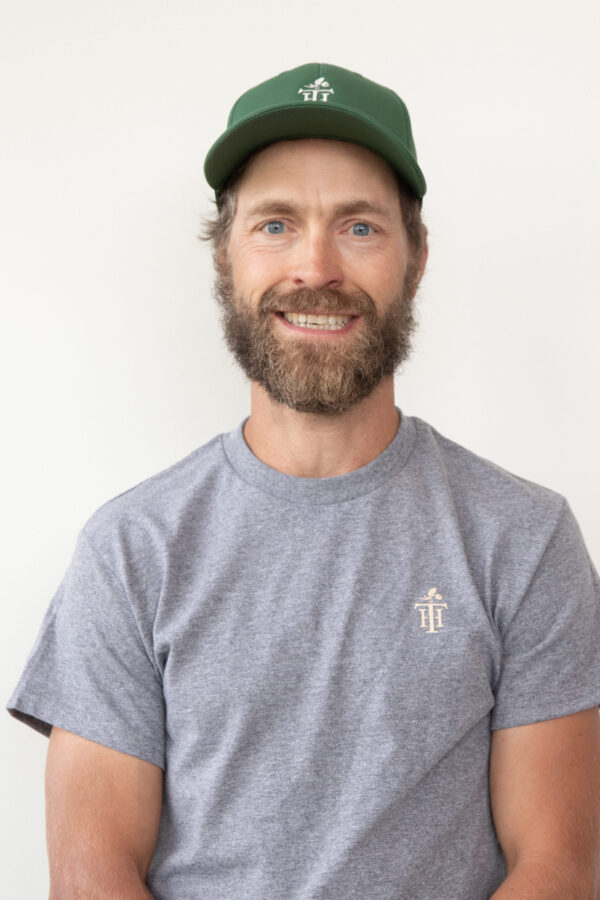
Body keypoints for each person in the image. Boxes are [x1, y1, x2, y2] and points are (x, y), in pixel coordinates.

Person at [7, 62, 600, 900]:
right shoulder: (131, 550)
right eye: (276, 225)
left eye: (359, 228)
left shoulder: (525, 539)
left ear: (417, 257)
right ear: (226, 256)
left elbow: (558, 870)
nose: (315, 267)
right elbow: (92, 878)